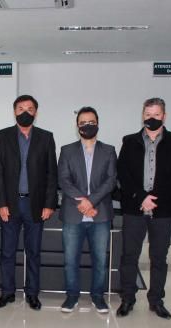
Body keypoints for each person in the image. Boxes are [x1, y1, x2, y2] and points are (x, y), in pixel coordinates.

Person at [116, 98, 171, 320]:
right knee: (129, 256)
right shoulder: (129, 141)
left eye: (156, 114)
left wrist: (154, 199)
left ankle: (156, 301)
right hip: (134, 207)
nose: (151, 118)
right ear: (142, 115)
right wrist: (141, 197)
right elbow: (123, 174)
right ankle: (128, 298)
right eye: (148, 114)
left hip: (163, 209)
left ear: (164, 116)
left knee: (159, 257)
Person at [0, 94, 58, 310]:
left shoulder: (46, 137)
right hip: (9, 205)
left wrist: (49, 204)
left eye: (30, 109)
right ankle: (7, 293)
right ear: (14, 112)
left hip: (35, 205)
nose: (25, 112)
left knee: (34, 252)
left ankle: (32, 294)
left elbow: (52, 173)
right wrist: (0, 203)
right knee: (7, 252)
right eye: (21, 109)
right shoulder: (2, 136)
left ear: (36, 113)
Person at [57, 107, 117, 314]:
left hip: (100, 214)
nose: (87, 125)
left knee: (100, 260)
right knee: (70, 260)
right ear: (77, 126)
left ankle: (98, 297)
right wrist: (83, 202)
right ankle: (72, 296)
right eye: (83, 123)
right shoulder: (67, 150)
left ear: (98, 124)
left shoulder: (109, 150)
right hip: (73, 214)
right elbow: (64, 180)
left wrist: (90, 202)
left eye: (91, 122)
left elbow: (111, 181)